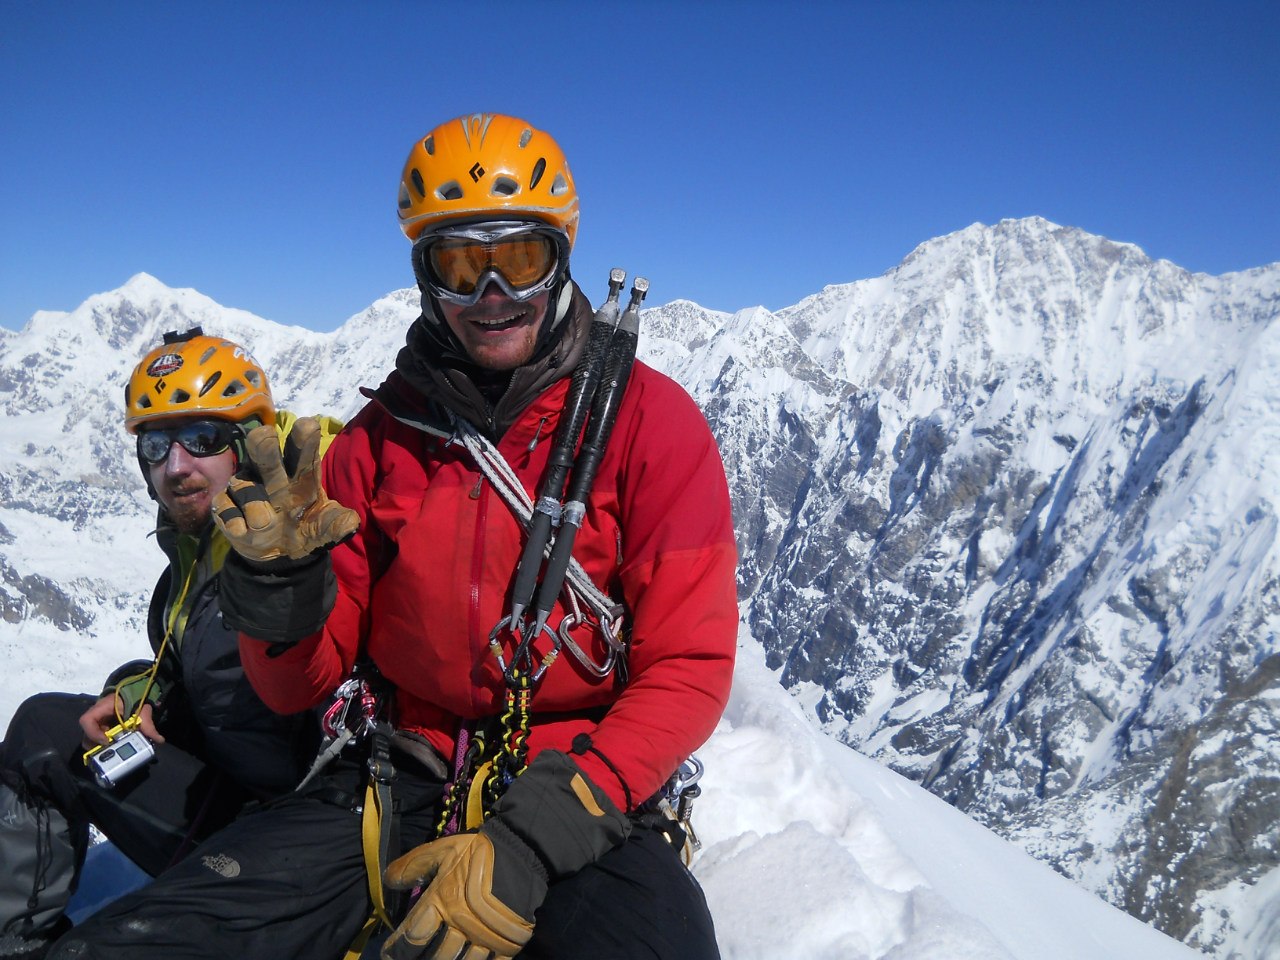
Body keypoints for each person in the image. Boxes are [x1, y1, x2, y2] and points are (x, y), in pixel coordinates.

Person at [54, 112, 738, 960]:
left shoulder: (651, 424)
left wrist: (538, 835)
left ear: (559, 257)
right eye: (460, 265)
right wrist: (282, 600)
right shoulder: (379, 441)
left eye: (516, 257)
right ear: (426, 278)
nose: (492, 295)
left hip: (581, 783)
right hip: (395, 772)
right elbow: (297, 686)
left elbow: (689, 665)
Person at [0, 330, 327, 959]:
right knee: (44, 728)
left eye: (201, 439)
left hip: (286, 839)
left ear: (247, 445)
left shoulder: (302, 547)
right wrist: (135, 693)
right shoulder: (198, 552)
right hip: (226, 790)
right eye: (156, 444)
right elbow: (185, 665)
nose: (176, 467)